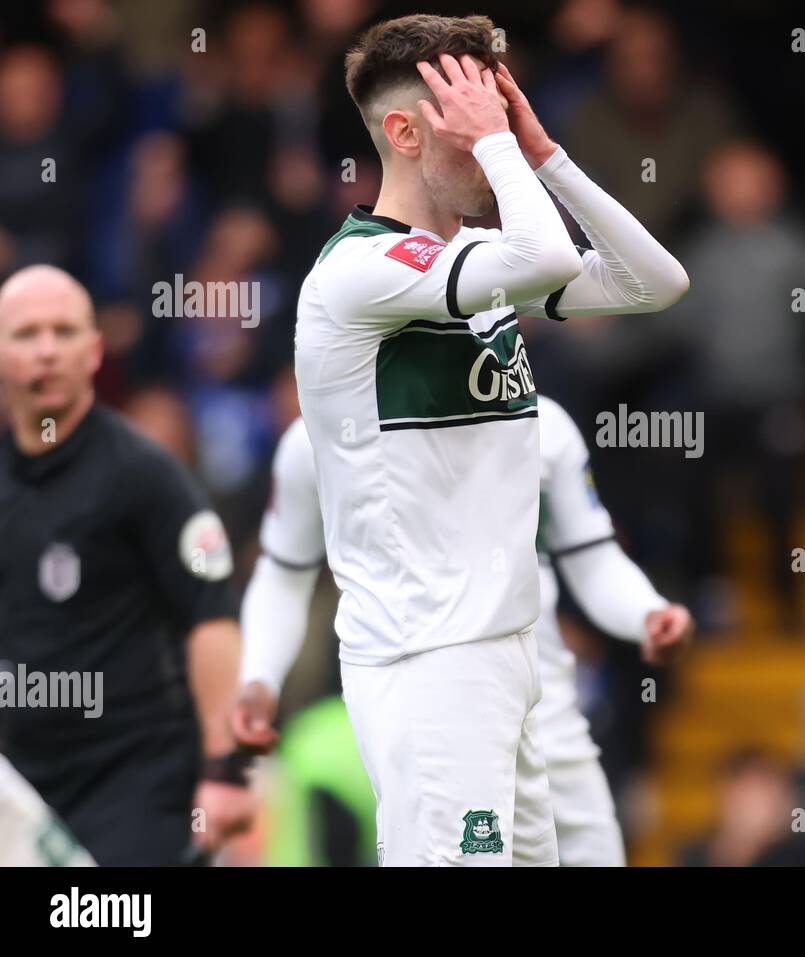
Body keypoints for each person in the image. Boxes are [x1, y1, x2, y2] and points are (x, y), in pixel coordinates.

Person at [292, 14, 688, 866]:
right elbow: (544, 255)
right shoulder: (356, 273)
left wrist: (545, 156)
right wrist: (508, 154)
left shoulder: (477, 256)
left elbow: (655, 281)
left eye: (500, 111)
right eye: (474, 121)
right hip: (427, 656)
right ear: (404, 132)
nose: (495, 134)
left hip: (507, 657)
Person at [235, 397, 693, 865]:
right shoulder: (320, 434)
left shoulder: (541, 421)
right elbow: (282, 573)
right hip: (421, 717)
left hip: (546, 709)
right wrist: (259, 675)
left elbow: (592, 557)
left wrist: (646, 612)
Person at [0, 264, 253, 865]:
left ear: (93, 352)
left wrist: (225, 771)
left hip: (136, 782)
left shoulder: (146, 476)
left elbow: (211, 619)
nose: (46, 352)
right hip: (23, 785)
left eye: (63, 333)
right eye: (26, 334)